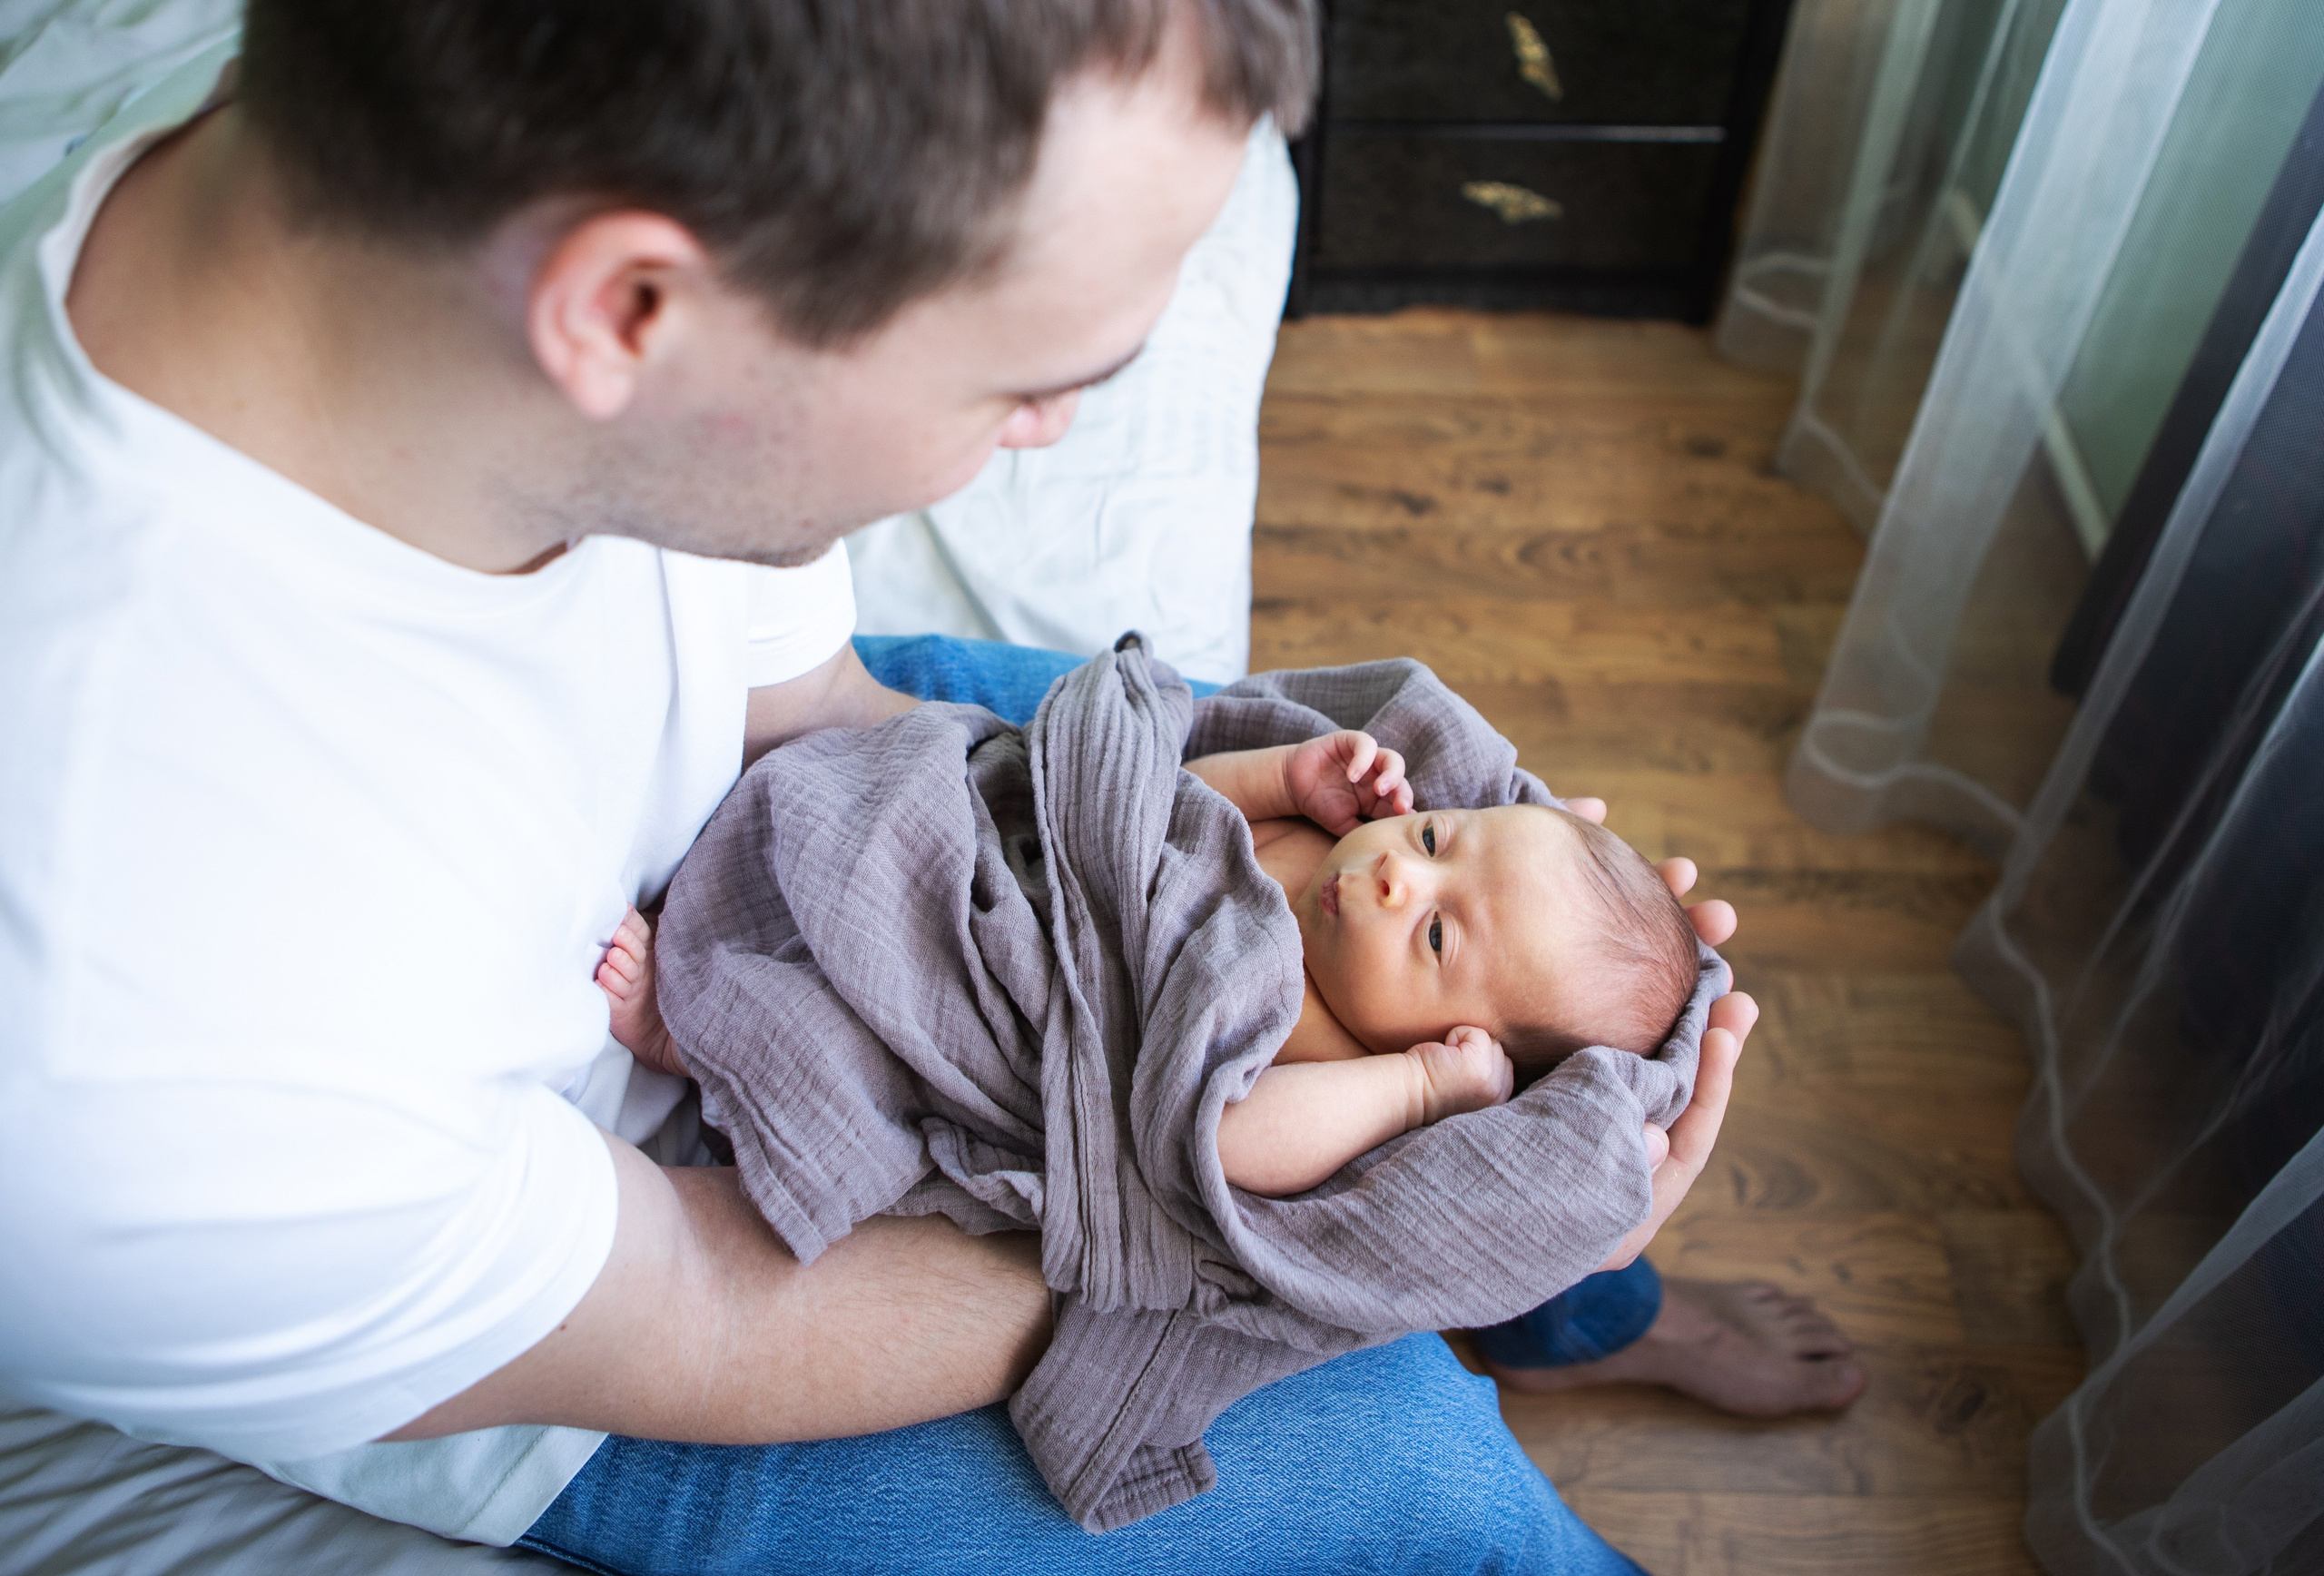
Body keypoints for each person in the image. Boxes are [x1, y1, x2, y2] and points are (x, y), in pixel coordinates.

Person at [0, 4, 1856, 1572]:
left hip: (805, 788)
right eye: (1022, 384)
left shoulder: (499, 226)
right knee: (1437, 1492)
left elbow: (813, 696)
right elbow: (706, 1318)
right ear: (634, 310)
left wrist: (1477, 1052)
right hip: (657, 1274)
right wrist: (1363, 1248)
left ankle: (1579, 1303)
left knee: (1556, 953)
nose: (1053, 434)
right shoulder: (125, 1051)